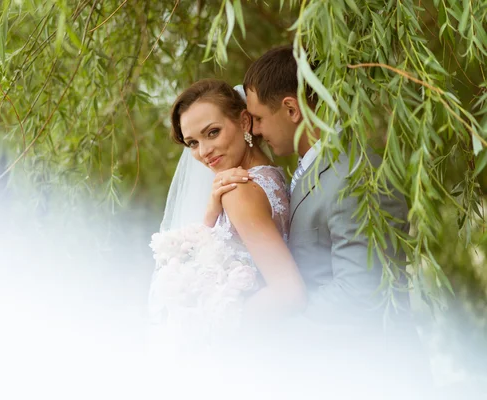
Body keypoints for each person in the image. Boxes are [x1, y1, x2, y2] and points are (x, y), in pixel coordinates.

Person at [215, 46, 430, 394]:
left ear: (291, 109)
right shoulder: (308, 172)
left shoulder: (357, 175)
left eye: (257, 118)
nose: (251, 129)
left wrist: (275, 340)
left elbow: (359, 293)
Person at [149, 79, 306, 343]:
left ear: (244, 122)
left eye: (212, 132)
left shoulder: (239, 191)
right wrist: (212, 213)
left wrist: (212, 326)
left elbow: (289, 293)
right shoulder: (271, 176)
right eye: (192, 143)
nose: (204, 152)